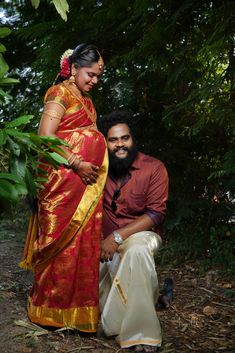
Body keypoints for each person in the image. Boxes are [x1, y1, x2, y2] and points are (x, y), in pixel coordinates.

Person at [19, 44, 108, 333]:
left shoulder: (87, 102)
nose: (94, 80)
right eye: (90, 74)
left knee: (81, 247)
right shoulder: (60, 93)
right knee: (58, 247)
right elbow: (45, 137)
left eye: (98, 76)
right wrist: (77, 162)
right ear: (73, 68)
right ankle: (50, 312)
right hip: (62, 183)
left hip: (85, 187)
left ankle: (77, 315)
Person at [98, 111, 169, 352]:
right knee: (95, 308)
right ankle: (153, 292)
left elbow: (156, 214)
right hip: (102, 246)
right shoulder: (98, 168)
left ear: (132, 139)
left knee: (137, 251)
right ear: (105, 142)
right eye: (113, 140)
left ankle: (142, 335)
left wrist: (117, 237)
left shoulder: (154, 167)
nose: (120, 144)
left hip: (141, 235)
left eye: (124, 138)